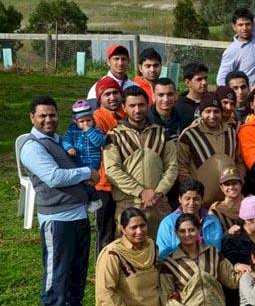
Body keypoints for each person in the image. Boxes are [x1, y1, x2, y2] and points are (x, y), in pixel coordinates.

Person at [20, 96, 97, 306]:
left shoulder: (60, 140)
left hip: (78, 213)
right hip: (56, 218)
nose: (48, 119)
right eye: (42, 115)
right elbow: (53, 177)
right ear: (32, 117)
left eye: (52, 115)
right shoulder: (32, 146)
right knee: (57, 269)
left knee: (78, 267)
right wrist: (87, 172)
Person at [104, 86, 177, 241]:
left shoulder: (162, 133)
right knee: (129, 255)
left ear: (148, 104)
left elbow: (172, 166)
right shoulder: (114, 135)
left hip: (159, 204)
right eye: (132, 106)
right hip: (129, 205)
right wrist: (141, 191)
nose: (137, 110)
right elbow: (112, 170)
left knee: (161, 254)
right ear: (124, 107)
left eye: (141, 105)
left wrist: (158, 192)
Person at [160, 214, 241, 306]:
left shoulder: (213, 253)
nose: (187, 234)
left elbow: (232, 281)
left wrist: (251, 270)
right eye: (182, 231)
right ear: (176, 233)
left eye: (192, 230)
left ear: (198, 230)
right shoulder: (169, 263)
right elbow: (167, 301)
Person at [94, 208, 169, 306]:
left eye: (142, 226)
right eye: (133, 227)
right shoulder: (113, 254)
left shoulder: (151, 246)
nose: (139, 231)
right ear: (123, 229)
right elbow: (105, 291)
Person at [177, 92, 238, 207]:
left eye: (216, 111)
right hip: (200, 203)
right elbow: (182, 167)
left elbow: (239, 161)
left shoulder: (231, 132)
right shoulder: (189, 135)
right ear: (201, 113)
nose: (212, 116)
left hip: (229, 200)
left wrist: (239, 182)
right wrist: (192, 193)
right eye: (208, 111)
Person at [92, 77, 125, 255]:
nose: (112, 97)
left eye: (115, 93)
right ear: (100, 98)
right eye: (107, 94)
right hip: (103, 184)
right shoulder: (95, 119)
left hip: (124, 181)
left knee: (122, 227)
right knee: (104, 229)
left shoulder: (125, 115)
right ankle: (101, 269)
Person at [156, 179, 223, 260]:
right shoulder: (168, 223)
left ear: (202, 199)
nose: (191, 203)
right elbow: (163, 254)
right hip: (178, 268)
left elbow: (218, 251)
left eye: (196, 199)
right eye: (187, 199)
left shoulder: (212, 222)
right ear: (180, 199)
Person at [63, 99, 106, 212]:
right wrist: (69, 148)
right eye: (82, 122)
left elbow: (99, 142)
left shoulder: (96, 130)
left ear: (93, 119)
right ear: (75, 121)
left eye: (88, 120)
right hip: (78, 160)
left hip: (93, 161)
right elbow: (65, 141)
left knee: (90, 182)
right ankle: (84, 201)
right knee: (81, 182)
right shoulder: (72, 131)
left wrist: (89, 131)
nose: (86, 124)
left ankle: (94, 200)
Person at [217, 8, 255, 87]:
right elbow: (221, 80)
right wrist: (237, 93)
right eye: (240, 25)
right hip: (247, 97)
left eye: (247, 24)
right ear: (234, 27)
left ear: (253, 25)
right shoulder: (232, 51)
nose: (244, 28)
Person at [147, 77, 190, 142]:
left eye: (170, 94)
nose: (166, 99)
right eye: (161, 95)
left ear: (176, 96)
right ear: (153, 97)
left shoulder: (184, 119)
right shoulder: (145, 120)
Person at [209, 166, 245, 234]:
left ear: (241, 184)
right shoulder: (216, 209)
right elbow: (213, 237)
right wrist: (228, 233)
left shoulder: (251, 204)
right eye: (227, 184)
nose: (231, 187)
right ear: (221, 187)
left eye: (234, 183)